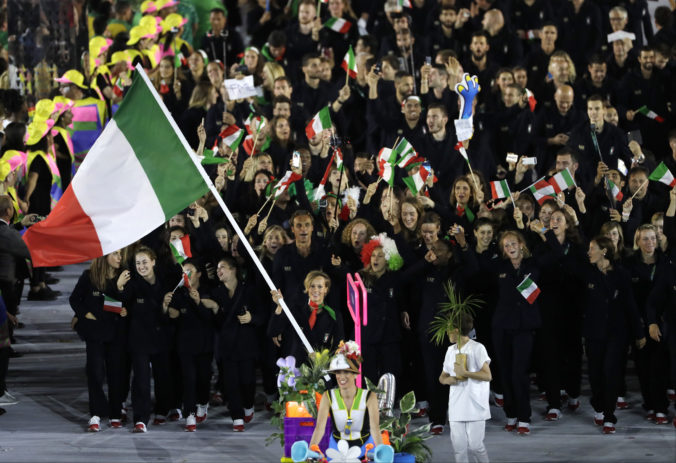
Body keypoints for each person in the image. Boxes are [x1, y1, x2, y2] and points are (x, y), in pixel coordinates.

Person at [69, 250, 128, 431]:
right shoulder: (89, 276)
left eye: (121, 254)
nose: (120, 258)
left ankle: (115, 413)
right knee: (95, 372)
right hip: (95, 334)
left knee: (115, 373)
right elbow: (75, 299)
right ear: (105, 256)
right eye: (116, 254)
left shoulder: (124, 276)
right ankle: (95, 413)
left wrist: (117, 289)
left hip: (116, 333)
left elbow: (124, 306)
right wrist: (85, 314)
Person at [310, 341, 383, 457]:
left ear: (355, 374)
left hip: (365, 449)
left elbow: (375, 429)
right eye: (338, 372)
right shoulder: (327, 396)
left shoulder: (370, 396)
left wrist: (382, 452)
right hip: (336, 449)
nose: (341, 376)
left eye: (346, 372)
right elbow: (319, 428)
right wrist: (311, 451)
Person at [440, 312, 491, 463]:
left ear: (456, 330)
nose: (447, 332)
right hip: (456, 406)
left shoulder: (477, 348)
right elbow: (442, 377)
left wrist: (466, 373)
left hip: (475, 405)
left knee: (476, 446)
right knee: (459, 450)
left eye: (449, 328)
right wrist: (447, 380)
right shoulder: (450, 351)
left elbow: (487, 375)